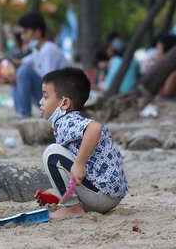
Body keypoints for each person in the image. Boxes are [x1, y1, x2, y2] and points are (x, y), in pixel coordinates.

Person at [38, 67, 127, 219]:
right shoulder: (71, 121)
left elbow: (95, 127)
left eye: (46, 97)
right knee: (60, 154)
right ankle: (72, 203)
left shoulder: (67, 121)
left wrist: (79, 164)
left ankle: (72, 208)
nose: (40, 102)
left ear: (65, 103)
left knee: (52, 153)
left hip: (102, 195)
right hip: (108, 194)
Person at [11, 13, 69, 118]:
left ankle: (24, 114)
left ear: (37, 33)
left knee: (23, 71)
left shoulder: (49, 49)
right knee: (16, 75)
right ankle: (20, 112)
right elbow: (24, 61)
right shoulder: (37, 51)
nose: (22, 36)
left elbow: (48, 79)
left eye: (25, 32)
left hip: (58, 97)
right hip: (49, 95)